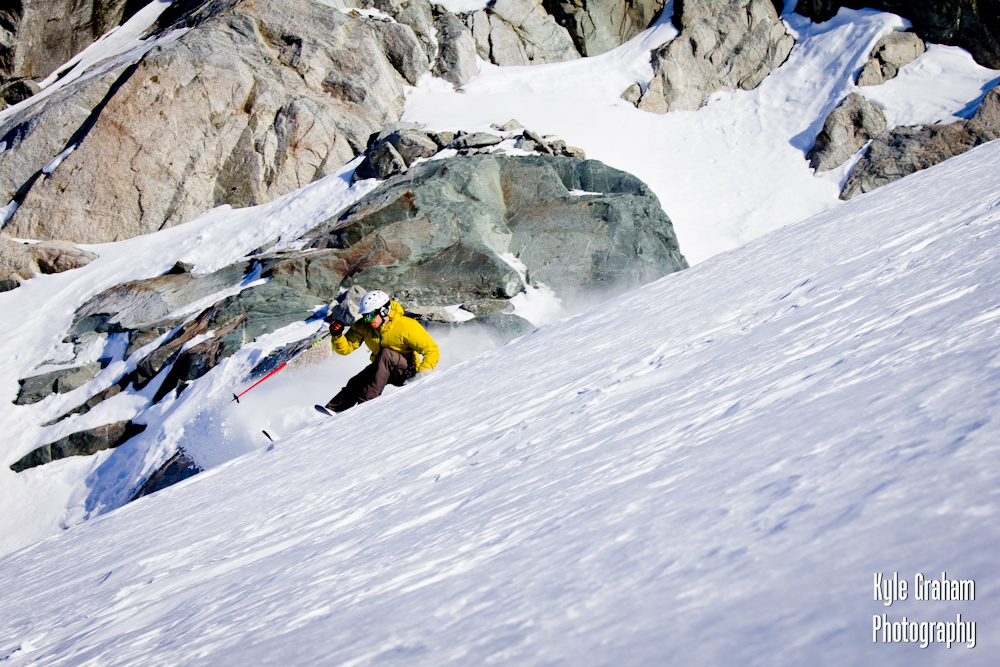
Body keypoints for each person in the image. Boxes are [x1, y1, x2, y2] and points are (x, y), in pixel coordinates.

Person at [319, 289, 439, 414]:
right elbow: (345, 349)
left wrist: (422, 374)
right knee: (358, 380)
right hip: (383, 368)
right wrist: (337, 335)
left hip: (407, 373)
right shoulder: (364, 326)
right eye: (365, 316)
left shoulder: (407, 326)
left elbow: (431, 350)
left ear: (384, 311)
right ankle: (334, 409)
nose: (367, 320)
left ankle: (365, 406)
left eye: (370, 315)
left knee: (386, 354)